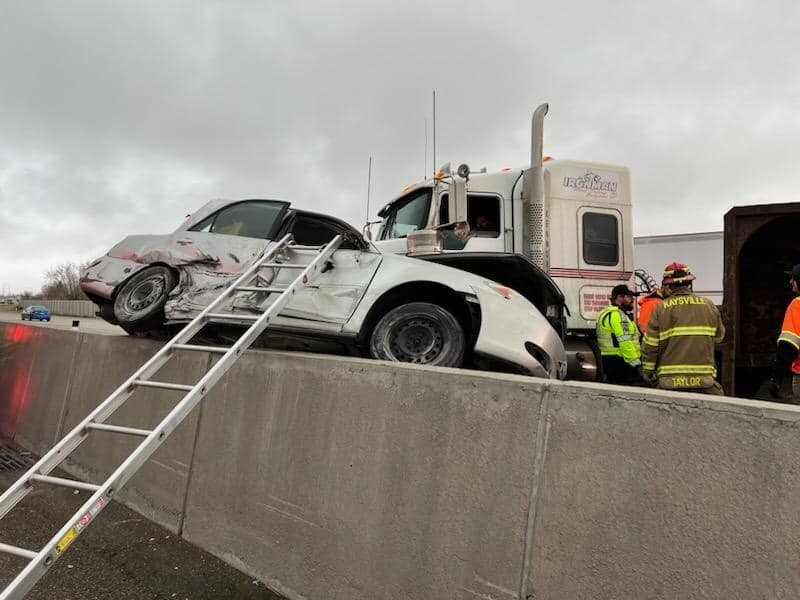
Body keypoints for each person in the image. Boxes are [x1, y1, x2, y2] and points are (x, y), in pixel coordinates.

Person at [642, 262, 725, 394]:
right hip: (704, 382)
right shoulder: (708, 305)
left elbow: (650, 345)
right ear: (689, 284)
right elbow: (720, 337)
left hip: (669, 382)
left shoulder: (660, 308)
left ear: (668, 286)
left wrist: (648, 372)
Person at [596, 284, 645, 385]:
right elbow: (625, 342)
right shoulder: (617, 315)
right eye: (629, 297)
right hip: (622, 363)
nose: (633, 300)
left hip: (610, 361)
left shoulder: (605, 313)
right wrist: (637, 365)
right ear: (619, 297)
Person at [767, 264, 800, 403]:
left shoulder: (797, 305)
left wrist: (776, 379)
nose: (790, 281)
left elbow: (788, 345)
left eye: (793, 278)